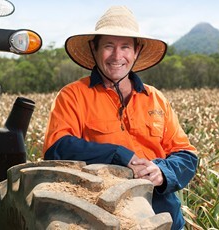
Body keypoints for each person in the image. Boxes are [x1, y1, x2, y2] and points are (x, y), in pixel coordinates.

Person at [42, 6, 198, 230]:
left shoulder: (156, 98)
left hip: (162, 213)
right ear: (94, 49)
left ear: (136, 51)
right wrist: (118, 156)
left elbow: (187, 155)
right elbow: (56, 148)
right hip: (98, 215)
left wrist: (162, 172)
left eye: (125, 47)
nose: (117, 56)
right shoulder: (73, 95)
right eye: (108, 46)